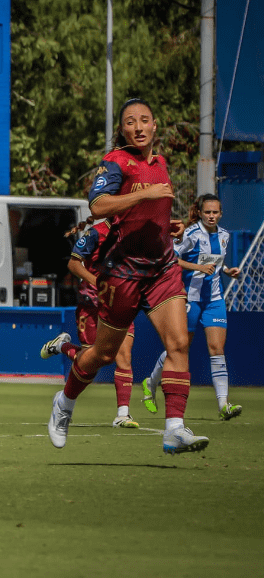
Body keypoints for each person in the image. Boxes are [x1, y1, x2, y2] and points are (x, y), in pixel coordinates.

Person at [39, 98, 205, 455]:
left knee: (178, 343)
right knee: (102, 353)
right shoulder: (115, 163)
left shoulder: (160, 163)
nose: (139, 127)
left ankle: (174, 428)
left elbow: (150, 208)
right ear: (122, 129)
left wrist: (167, 226)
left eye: (145, 120)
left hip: (161, 269)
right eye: (131, 121)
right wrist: (146, 194)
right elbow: (97, 205)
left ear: (155, 125)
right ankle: (64, 404)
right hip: (123, 273)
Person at [141, 193, 242, 420]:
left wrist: (227, 271)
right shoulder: (191, 233)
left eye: (215, 212)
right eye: (207, 212)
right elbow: (172, 258)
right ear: (200, 213)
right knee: (179, 348)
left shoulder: (225, 235)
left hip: (214, 300)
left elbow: (215, 260)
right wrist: (197, 266)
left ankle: (223, 404)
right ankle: (151, 381)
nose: (212, 216)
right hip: (190, 299)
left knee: (217, 349)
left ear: (221, 213)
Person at [57, 217, 140, 428]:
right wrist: (98, 283)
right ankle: (62, 346)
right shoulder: (95, 233)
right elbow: (73, 264)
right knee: (92, 360)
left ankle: (123, 414)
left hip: (119, 305)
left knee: (124, 356)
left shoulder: (133, 233)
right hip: (92, 305)